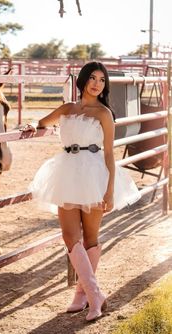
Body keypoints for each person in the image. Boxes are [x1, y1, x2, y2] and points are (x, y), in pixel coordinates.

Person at [25, 61, 141, 322]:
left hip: (94, 173)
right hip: (66, 171)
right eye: (93, 78)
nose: (97, 83)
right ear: (83, 81)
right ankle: (95, 293)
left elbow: (110, 154)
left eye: (102, 79)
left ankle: (81, 295)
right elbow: (42, 121)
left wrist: (109, 189)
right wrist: (33, 125)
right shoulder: (67, 109)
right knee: (69, 236)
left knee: (90, 237)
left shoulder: (103, 113)